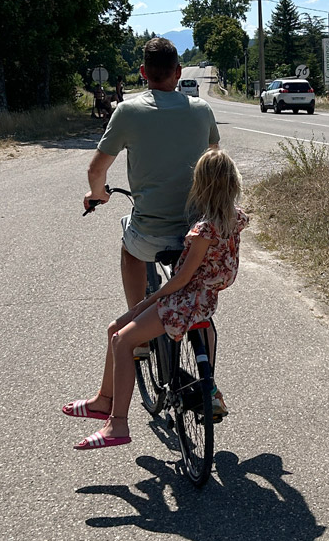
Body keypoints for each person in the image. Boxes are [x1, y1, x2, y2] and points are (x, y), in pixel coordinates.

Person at [64, 149, 247, 449]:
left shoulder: (202, 231)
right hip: (207, 300)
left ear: (199, 185)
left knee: (120, 337)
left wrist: (144, 304)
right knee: (118, 329)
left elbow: (182, 279)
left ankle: (117, 425)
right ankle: (206, 386)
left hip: (185, 301)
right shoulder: (235, 218)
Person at [83, 37, 219, 311]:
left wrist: (98, 194)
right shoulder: (202, 110)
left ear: (143, 72)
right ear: (178, 72)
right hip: (197, 231)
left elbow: (96, 169)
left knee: (129, 249)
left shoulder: (128, 111)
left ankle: (136, 319)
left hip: (150, 234)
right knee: (198, 308)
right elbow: (215, 160)